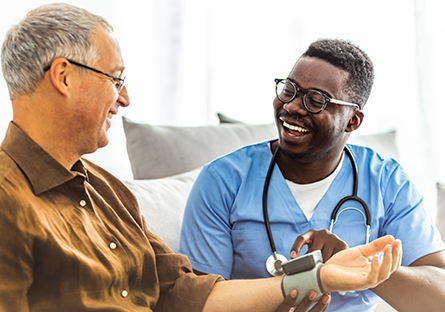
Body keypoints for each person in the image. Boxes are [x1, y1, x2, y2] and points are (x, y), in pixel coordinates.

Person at [0, 3, 402, 311]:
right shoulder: (7, 200)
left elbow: (188, 294)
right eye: (116, 80)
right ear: (64, 77)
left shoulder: (107, 193)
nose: (124, 98)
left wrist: (322, 278)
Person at [179, 38, 445, 311]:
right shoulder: (223, 180)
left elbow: (439, 297)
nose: (292, 107)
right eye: (289, 90)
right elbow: (198, 301)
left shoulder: (387, 182)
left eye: (316, 100)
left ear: (352, 121)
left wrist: (357, 267)